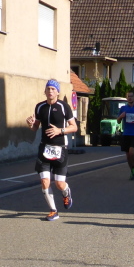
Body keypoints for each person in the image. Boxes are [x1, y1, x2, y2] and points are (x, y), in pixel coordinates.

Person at [27, 79, 77, 220]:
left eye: (53, 89)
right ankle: (53, 210)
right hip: (44, 148)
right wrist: (30, 124)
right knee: (44, 182)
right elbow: (35, 127)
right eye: (48, 88)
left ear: (58, 92)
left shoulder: (64, 107)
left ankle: (66, 193)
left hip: (60, 148)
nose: (50, 91)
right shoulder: (39, 107)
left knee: (59, 184)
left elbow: (74, 127)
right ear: (45, 91)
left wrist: (60, 130)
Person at [117, 92, 134, 179]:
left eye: (131, 96)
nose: (130, 98)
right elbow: (118, 121)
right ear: (126, 98)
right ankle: (132, 171)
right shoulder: (123, 108)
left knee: (131, 153)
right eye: (128, 96)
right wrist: (120, 117)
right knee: (128, 155)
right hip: (126, 133)